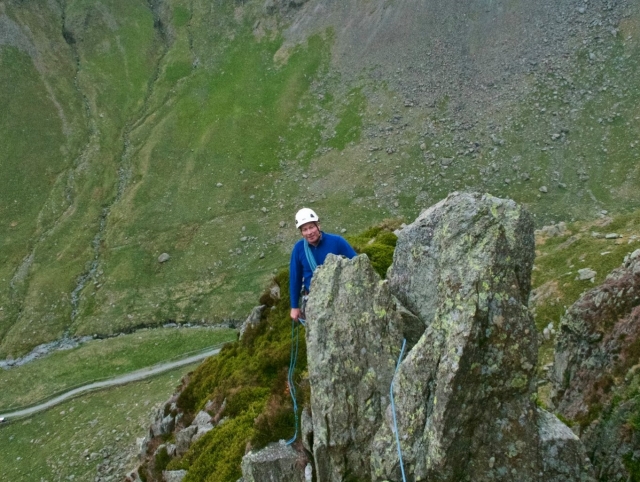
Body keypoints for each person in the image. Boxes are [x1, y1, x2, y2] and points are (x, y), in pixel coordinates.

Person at [289, 208, 357, 321]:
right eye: (305, 229)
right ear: (301, 233)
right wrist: (294, 306)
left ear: (318, 226)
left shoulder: (337, 242)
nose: (309, 232)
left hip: (340, 297)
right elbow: (295, 278)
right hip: (313, 301)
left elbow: (356, 263)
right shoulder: (299, 249)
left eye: (311, 227)